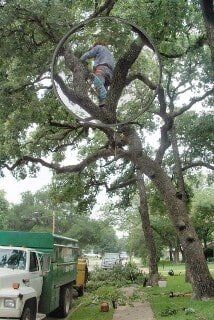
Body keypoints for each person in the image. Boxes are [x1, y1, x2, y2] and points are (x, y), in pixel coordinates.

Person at [80, 41, 115, 107]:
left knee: (97, 83)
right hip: (110, 73)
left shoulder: (98, 47)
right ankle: (104, 104)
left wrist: (80, 60)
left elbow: (89, 54)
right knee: (104, 87)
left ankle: (105, 99)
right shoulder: (109, 53)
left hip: (102, 68)